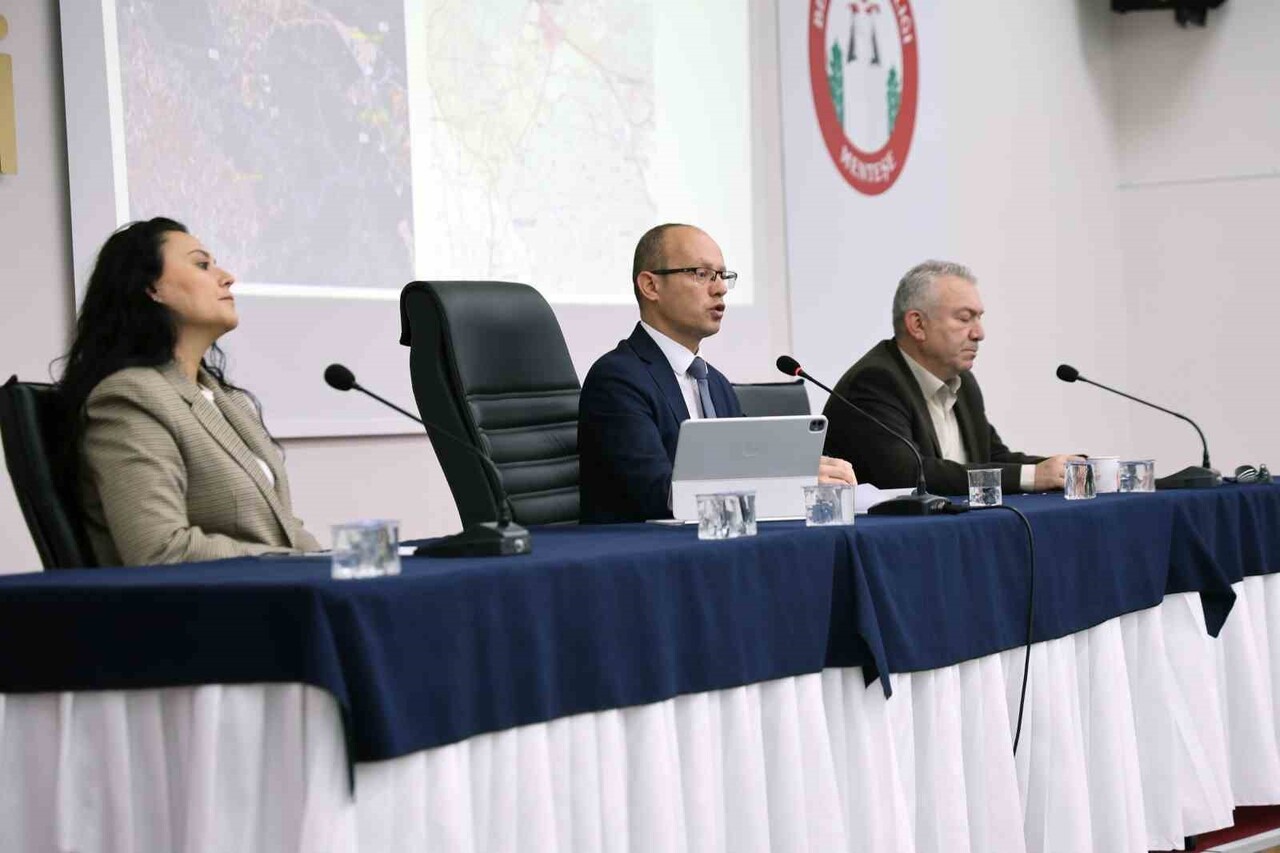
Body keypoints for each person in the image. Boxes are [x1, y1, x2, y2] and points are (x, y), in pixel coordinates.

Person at [58, 217, 321, 566]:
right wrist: (290, 560)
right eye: (202, 265)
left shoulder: (227, 401)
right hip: (200, 612)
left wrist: (338, 561)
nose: (227, 277)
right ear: (153, 288)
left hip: (272, 596)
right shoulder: (129, 398)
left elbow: (283, 528)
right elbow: (159, 549)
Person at [578, 223, 856, 523]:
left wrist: (799, 471)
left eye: (723, 275)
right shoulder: (617, 379)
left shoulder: (716, 384)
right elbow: (656, 495)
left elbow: (748, 463)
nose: (720, 287)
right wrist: (779, 483)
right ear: (651, 286)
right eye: (701, 274)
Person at [822, 260, 1078, 496]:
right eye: (965, 318)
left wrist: (1061, 468)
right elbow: (908, 474)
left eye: (979, 319)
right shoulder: (875, 382)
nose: (979, 333)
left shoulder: (963, 382)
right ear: (918, 325)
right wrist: (1032, 476)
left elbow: (991, 455)